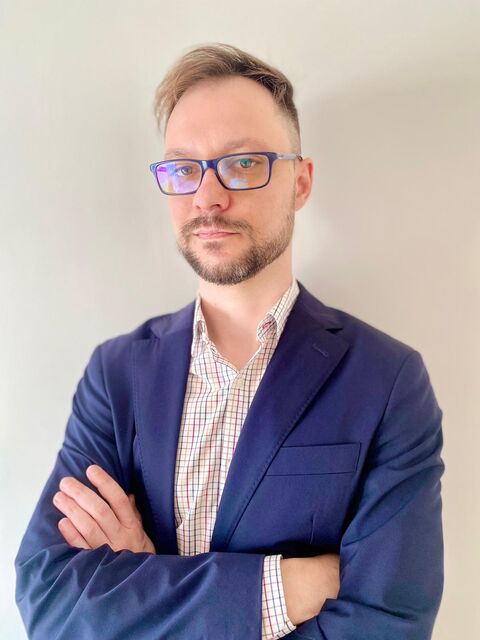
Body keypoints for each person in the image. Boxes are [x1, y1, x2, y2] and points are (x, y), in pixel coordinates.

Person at [15, 43, 445, 640]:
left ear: (301, 182)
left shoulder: (386, 379)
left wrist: (143, 584)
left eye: (243, 163)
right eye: (183, 168)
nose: (207, 197)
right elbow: (50, 599)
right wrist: (290, 585)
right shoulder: (116, 374)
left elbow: (390, 621)